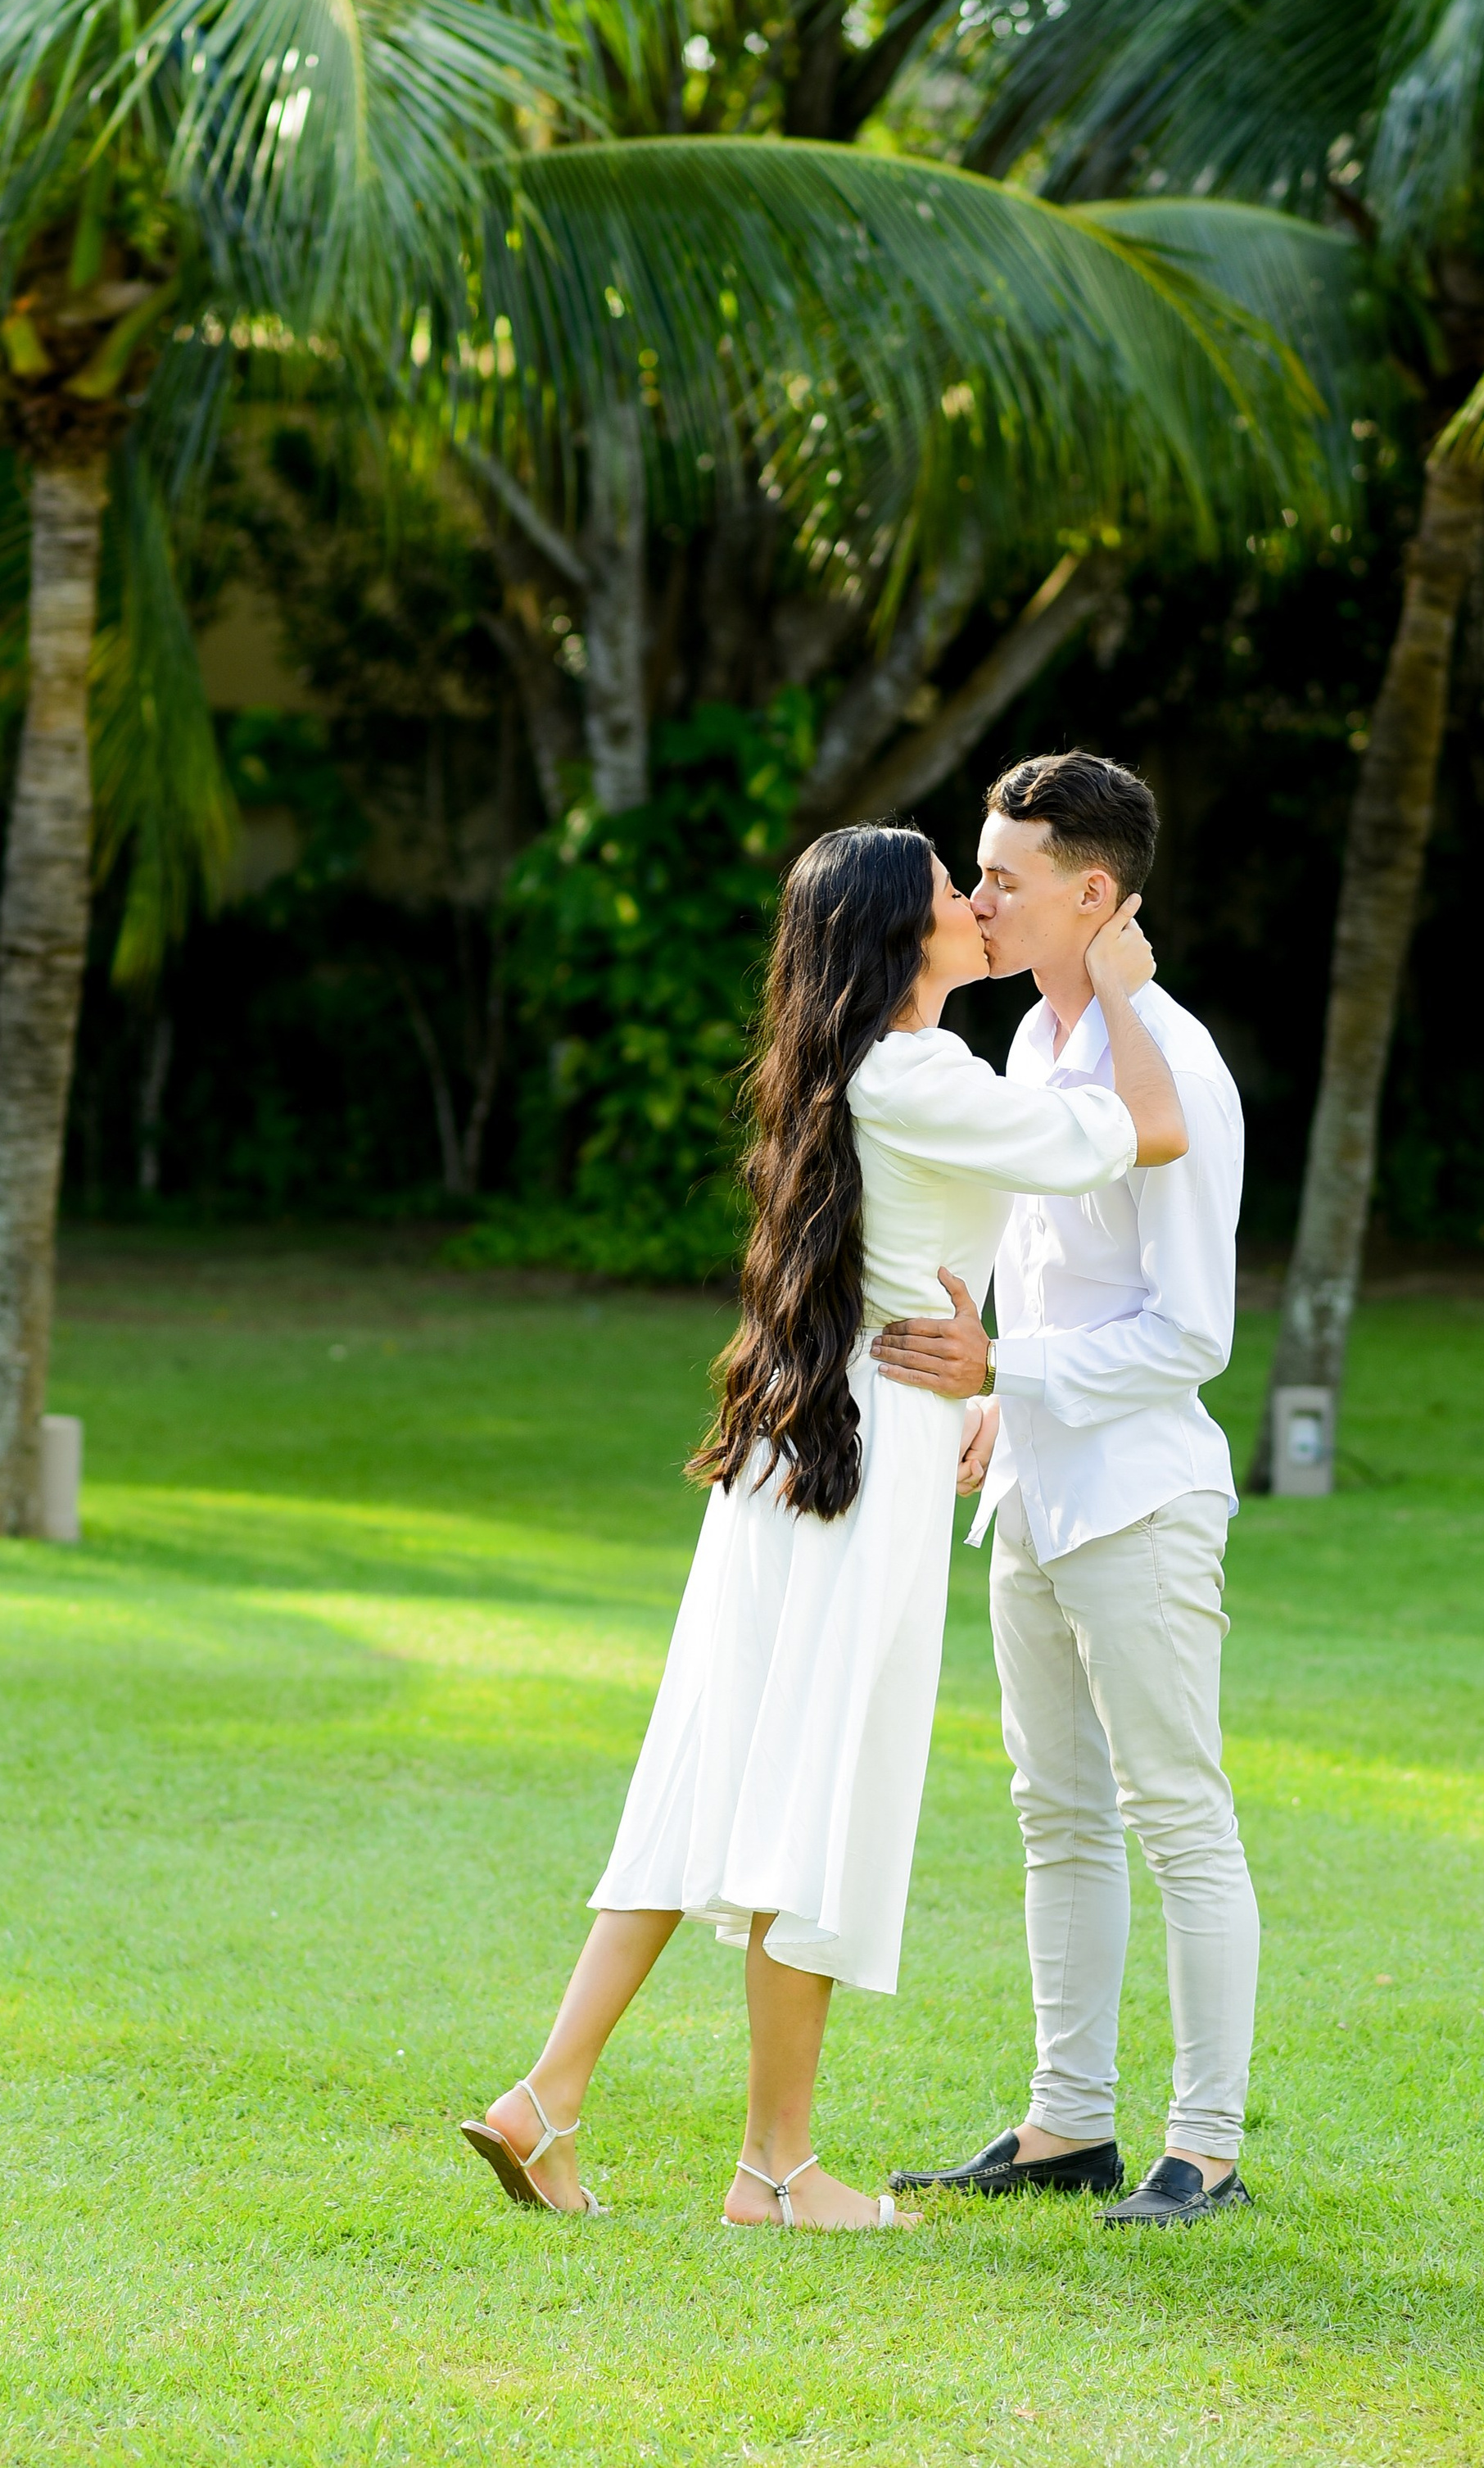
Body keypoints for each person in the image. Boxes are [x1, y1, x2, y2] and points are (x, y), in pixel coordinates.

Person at [460, 820, 1188, 2230]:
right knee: (808, 1794)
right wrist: (1122, 982)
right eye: (950, 890)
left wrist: (980, 1384)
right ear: (899, 938)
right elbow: (1144, 1133)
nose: (978, 903)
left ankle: (545, 2098)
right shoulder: (917, 1070)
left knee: (710, 1779)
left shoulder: (861, 1070)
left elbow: (900, 1259)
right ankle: (775, 2170)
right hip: (863, 1464)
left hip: (806, 1447)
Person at [875, 752, 1257, 2228]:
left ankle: (1205, 2147)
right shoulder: (1034, 1047)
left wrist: (1003, 1372)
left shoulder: (1182, 1068)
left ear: (1093, 894)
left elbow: (1193, 1334)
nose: (977, 897)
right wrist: (998, 1406)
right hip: (1030, 1491)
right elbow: (1034, 1278)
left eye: (1005, 877)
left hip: (1141, 1503)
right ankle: (1067, 2124)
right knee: (1054, 1812)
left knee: (1179, 1812)